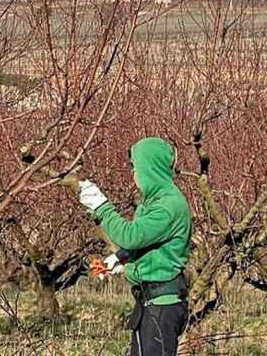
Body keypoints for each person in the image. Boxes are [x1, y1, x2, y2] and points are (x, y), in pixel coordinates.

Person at [74, 137, 192, 356]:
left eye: (136, 168)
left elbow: (131, 236)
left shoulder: (168, 205)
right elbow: (149, 242)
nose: (133, 174)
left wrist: (101, 206)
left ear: (151, 168)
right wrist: (122, 258)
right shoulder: (153, 201)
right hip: (150, 302)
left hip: (162, 306)